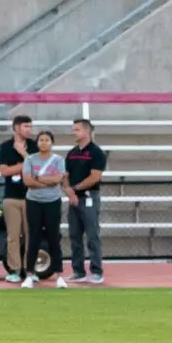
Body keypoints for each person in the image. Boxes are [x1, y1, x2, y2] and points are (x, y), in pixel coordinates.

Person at [20, 129, 67, 289]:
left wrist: (39, 179)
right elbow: (27, 181)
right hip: (33, 202)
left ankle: (59, 275)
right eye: (41, 140)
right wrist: (46, 182)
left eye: (47, 140)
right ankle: (29, 274)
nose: (44, 142)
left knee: (54, 237)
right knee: (33, 237)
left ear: (52, 142)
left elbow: (58, 178)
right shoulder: (30, 159)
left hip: (53, 201)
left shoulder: (58, 159)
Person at [0, 114, 37, 283]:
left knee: (31, 235)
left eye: (30, 126)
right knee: (13, 235)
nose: (29, 130)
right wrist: (25, 164)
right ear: (16, 128)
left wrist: (24, 155)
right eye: (25, 126)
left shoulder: (35, 146)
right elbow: (4, 171)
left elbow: (38, 169)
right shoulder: (5, 147)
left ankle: (30, 269)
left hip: (32, 196)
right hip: (11, 197)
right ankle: (14, 269)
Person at [64, 119, 106, 284]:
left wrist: (75, 189)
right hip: (74, 199)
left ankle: (96, 271)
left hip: (89, 197)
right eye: (74, 129)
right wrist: (69, 191)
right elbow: (65, 175)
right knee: (74, 235)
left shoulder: (96, 153)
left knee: (92, 235)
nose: (74, 133)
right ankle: (78, 270)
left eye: (77, 130)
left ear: (86, 131)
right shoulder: (72, 152)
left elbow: (95, 177)